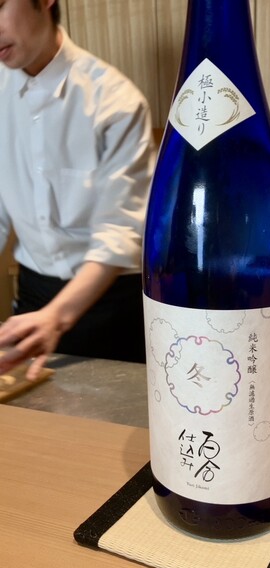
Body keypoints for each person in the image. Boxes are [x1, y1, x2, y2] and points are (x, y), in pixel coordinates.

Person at [0, 0, 156, 379]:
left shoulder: (116, 102)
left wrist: (57, 316)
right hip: (34, 292)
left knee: (114, 411)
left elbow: (120, 232)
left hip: (110, 300)